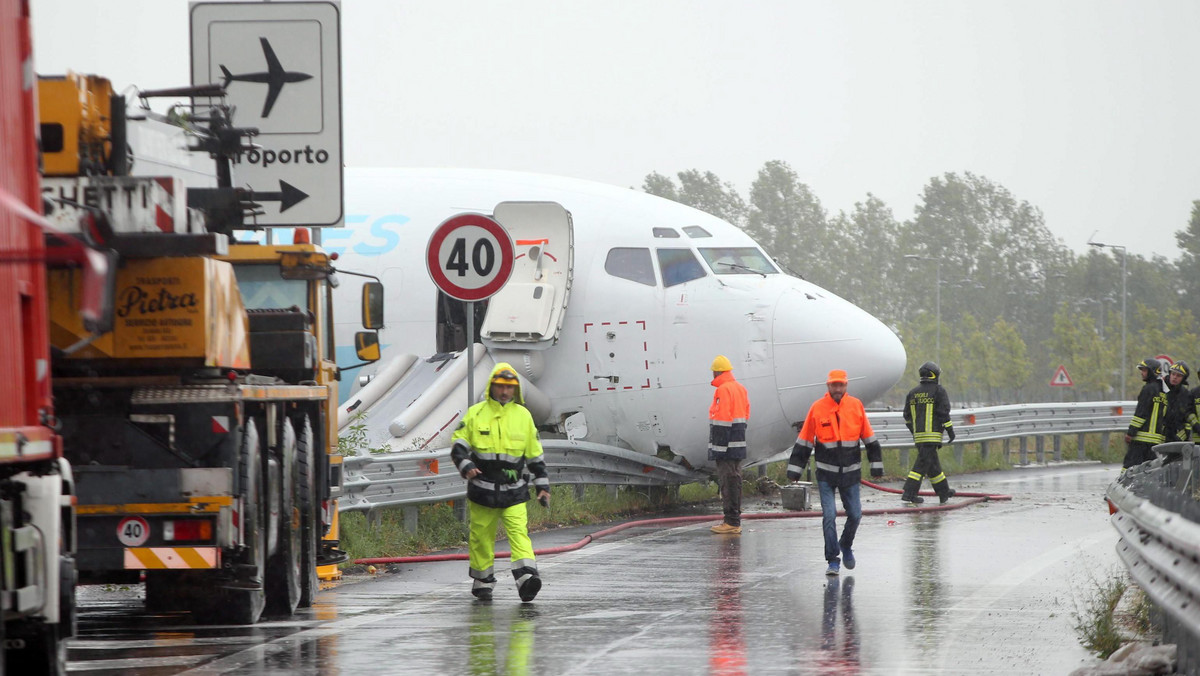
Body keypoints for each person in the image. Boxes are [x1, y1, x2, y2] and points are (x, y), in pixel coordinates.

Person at [451, 363, 551, 602]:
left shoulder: (523, 416)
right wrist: (465, 466)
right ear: (491, 387)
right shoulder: (476, 413)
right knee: (481, 537)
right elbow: (458, 445)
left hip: (513, 489)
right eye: (500, 386)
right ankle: (483, 580)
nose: (504, 392)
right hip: (482, 489)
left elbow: (535, 455)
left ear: (515, 389)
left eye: (509, 387)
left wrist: (542, 486)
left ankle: (527, 578)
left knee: (519, 534)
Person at [787, 369, 883, 576]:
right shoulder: (817, 408)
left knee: (855, 515)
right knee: (829, 516)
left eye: (841, 385)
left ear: (846, 386)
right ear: (828, 386)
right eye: (834, 385)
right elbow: (804, 441)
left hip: (850, 474)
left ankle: (845, 545)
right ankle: (833, 560)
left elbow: (869, 438)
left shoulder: (855, 406)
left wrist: (876, 466)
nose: (837, 388)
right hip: (826, 475)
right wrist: (794, 471)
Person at [901, 361, 957, 505]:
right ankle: (909, 493)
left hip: (919, 437)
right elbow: (943, 413)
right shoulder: (939, 391)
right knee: (920, 466)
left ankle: (944, 491)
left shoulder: (912, 393)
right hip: (932, 436)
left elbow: (907, 416)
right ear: (935, 375)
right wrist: (950, 430)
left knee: (932, 466)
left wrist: (914, 431)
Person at [708, 355, 750, 535]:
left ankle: (731, 522)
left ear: (717, 372)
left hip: (726, 445)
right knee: (735, 480)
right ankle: (733, 520)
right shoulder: (740, 388)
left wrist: (717, 449)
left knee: (728, 482)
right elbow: (745, 415)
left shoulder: (723, 390)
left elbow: (722, 420)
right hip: (738, 442)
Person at [1124, 357, 1168, 471]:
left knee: (1130, 468)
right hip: (1155, 442)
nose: (1142, 373)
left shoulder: (1148, 389)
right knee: (1148, 470)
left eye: (1144, 370)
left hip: (1141, 439)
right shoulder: (1163, 392)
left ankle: (1125, 487)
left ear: (1152, 372)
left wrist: (1130, 433)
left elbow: (1141, 413)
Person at [1163, 361, 1192, 442]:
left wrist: (1180, 438)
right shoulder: (1161, 389)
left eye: (1178, 376)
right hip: (1160, 437)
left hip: (1177, 439)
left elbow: (1187, 422)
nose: (1174, 377)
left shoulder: (1186, 395)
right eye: (1173, 374)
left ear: (1184, 378)